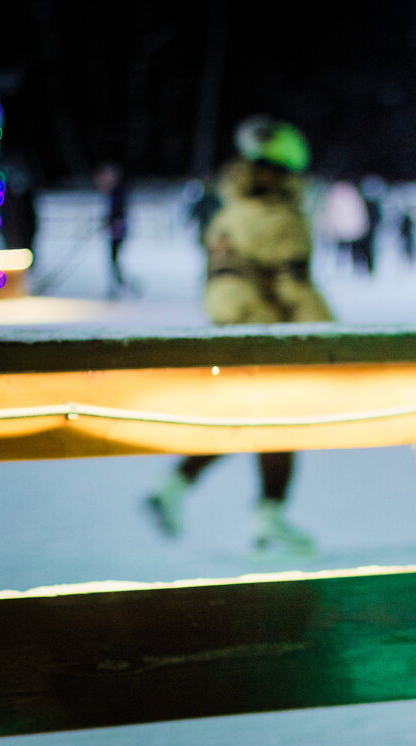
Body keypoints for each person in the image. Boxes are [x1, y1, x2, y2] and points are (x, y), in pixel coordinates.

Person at [146, 116, 329, 552]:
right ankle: (266, 515)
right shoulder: (281, 218)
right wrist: (329, 339)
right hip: (269, 338)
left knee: (250, 423)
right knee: (271, 425)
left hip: (231, 333)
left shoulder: (227, 213)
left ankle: (182, 488)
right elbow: (295, 287)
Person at [93, 163, 136, 300]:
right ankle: (119, 283)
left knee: (114, 258)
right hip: (115, 229)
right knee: (113, 259)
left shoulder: (118, 191)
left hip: (118, 230)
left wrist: (110, 221)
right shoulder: (113, 191)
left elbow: (118, 211)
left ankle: (120, 283)